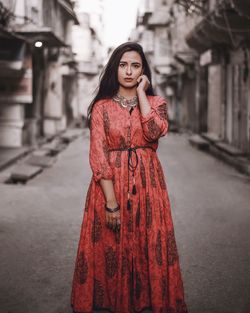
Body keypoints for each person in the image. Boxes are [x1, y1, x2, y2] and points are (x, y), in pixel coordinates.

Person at [71, 42, 188, 313]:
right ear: (115, 68)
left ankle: (147, 299)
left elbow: (154, 132)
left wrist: (142, 94)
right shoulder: (101, 107)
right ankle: (111, 301)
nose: (128, 71)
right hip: (110, 184)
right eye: (123, 65)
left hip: (150, 185)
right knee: (112, 240)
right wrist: (111, 202)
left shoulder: (157, 103)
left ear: (143, 72)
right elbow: (98, 154)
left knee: (149, 240)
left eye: (135, 66)